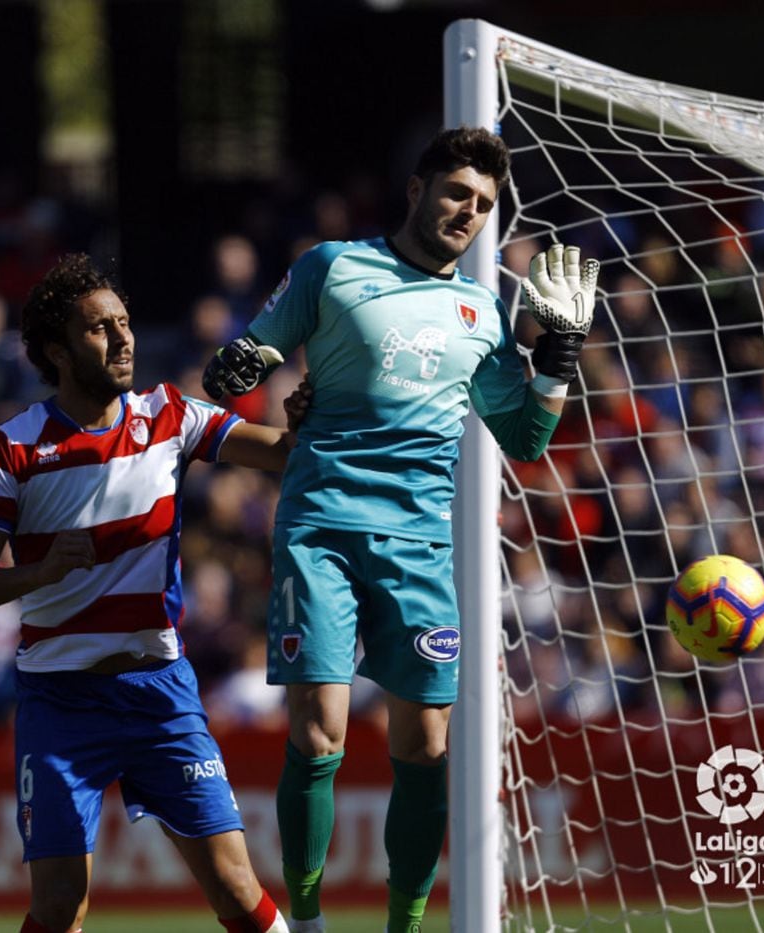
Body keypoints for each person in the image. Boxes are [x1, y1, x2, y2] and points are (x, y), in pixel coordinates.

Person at [202, 126, 599, 933]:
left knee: (423, 747)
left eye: (484, 204)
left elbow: (524, 439)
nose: (469, 212)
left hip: (419, 548)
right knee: (320, 732)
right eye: (457, 193)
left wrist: (558, 356)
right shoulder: (332, 268)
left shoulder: (484, 313)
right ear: (417, 190)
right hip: (320, 527)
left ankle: (403, 927)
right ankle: (307, 922)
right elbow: (235, 367)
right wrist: (244, 368)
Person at [0, 253, 302, 933]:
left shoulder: (171, 416)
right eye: (100, 327)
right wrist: (39, 572)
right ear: (56, 349)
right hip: (60, 702)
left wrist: (313, 415)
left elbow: (281, 452)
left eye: (125, 322)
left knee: (233, 885)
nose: (123, 337)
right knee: (58, 906)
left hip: (159, 693)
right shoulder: (11, 449)